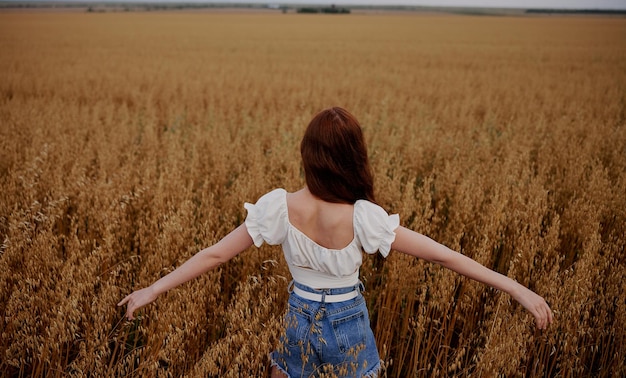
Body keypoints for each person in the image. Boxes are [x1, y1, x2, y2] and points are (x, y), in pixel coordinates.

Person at [118, 107, 553, 377]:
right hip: (350, 322)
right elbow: (446, 258)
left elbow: (213, 255)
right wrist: (515, 287)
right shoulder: (365, 218)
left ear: (308, 155)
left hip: (299, 316)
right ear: (353, 157)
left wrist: (151, 290)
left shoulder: (279, 207)